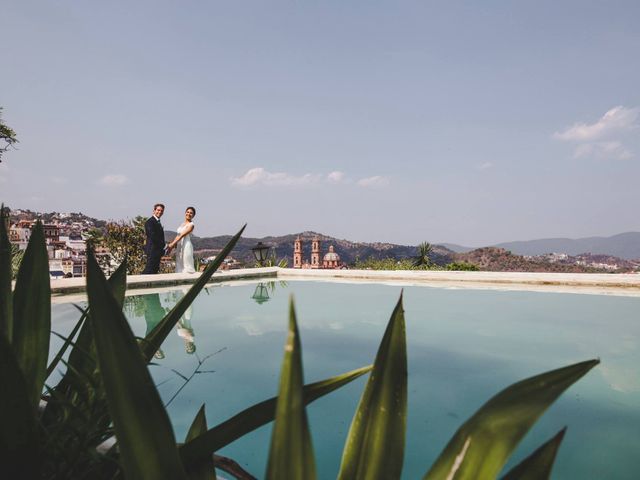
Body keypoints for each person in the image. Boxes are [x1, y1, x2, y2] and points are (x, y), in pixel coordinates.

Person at [168, 206, 196, 274]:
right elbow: (177, 235)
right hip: (179, 246)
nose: (189, 214)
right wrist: (171, 246)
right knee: (179, 263)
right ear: (185, 213)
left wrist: (172, 244)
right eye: (187, 212)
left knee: (186, 263)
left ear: (193, 215)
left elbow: (181, 235)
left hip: (186, 245)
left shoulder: (191, 225)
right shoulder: (182, 224)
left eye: (191, 213)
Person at [142, 203, 167, 274]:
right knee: (149, 270)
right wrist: (164, 245)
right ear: (154, 211)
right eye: (158, 210)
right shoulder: (150, 222)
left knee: (154, 270)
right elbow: (152, 236)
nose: (160, 212)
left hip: (157, 251)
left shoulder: (157, 222)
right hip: (152, 250)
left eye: (161, 211)